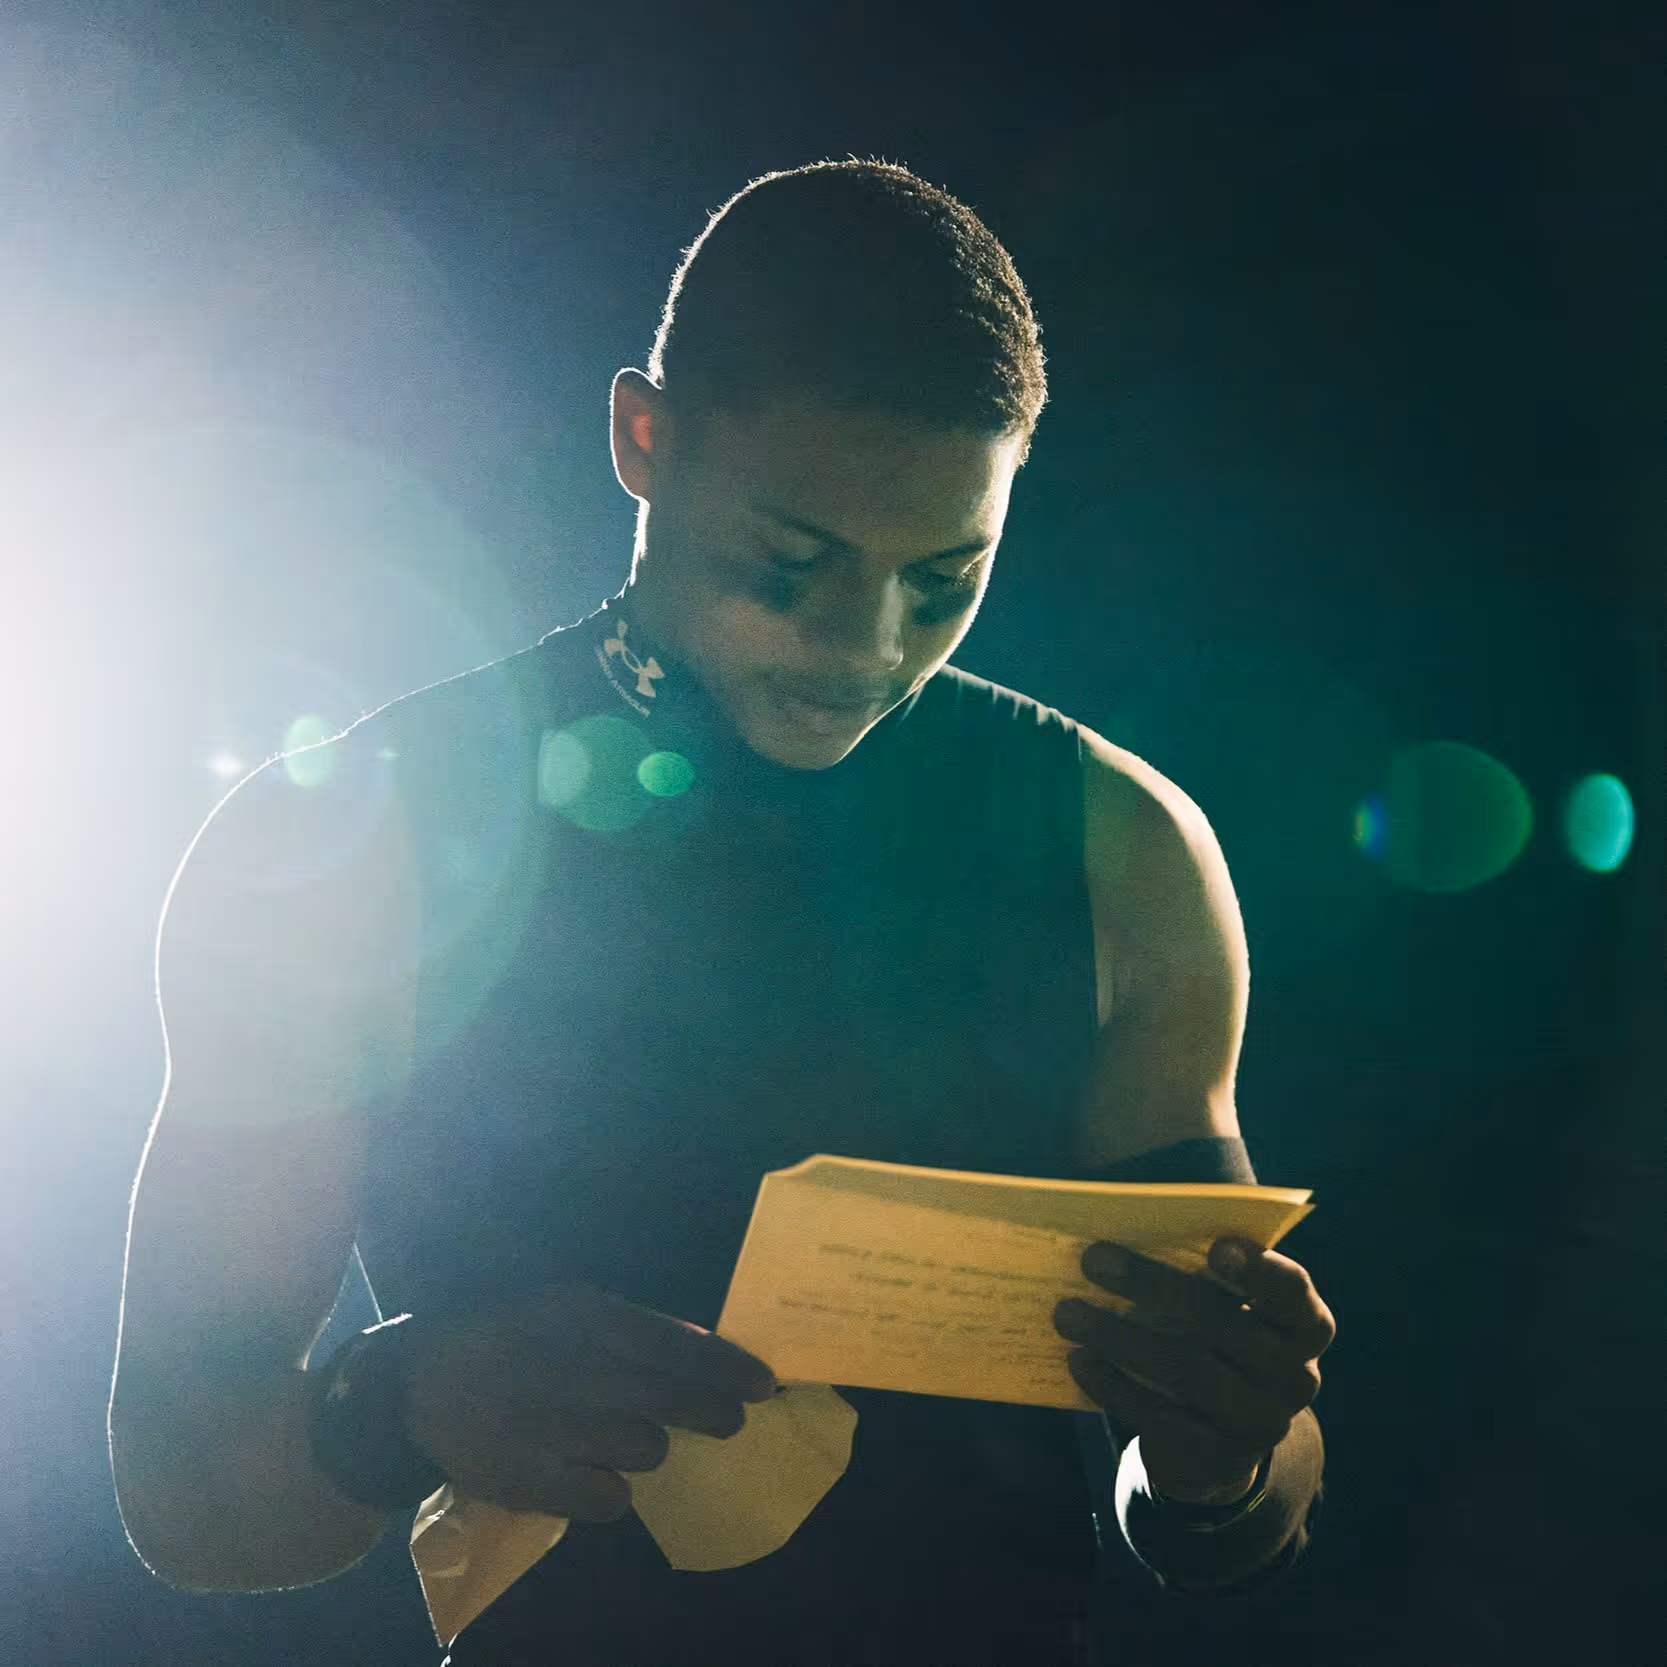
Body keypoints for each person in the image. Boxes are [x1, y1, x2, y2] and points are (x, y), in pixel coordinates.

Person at [109, 159, 1332, 1666]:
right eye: (791, 565)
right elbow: (179, 1498)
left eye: (944, 581)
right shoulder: (349, 842)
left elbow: (1234, 1490)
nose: (861, 648)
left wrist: (1221, 1452)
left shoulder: (1121, 846)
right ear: (643, 435)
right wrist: (397, 1403)